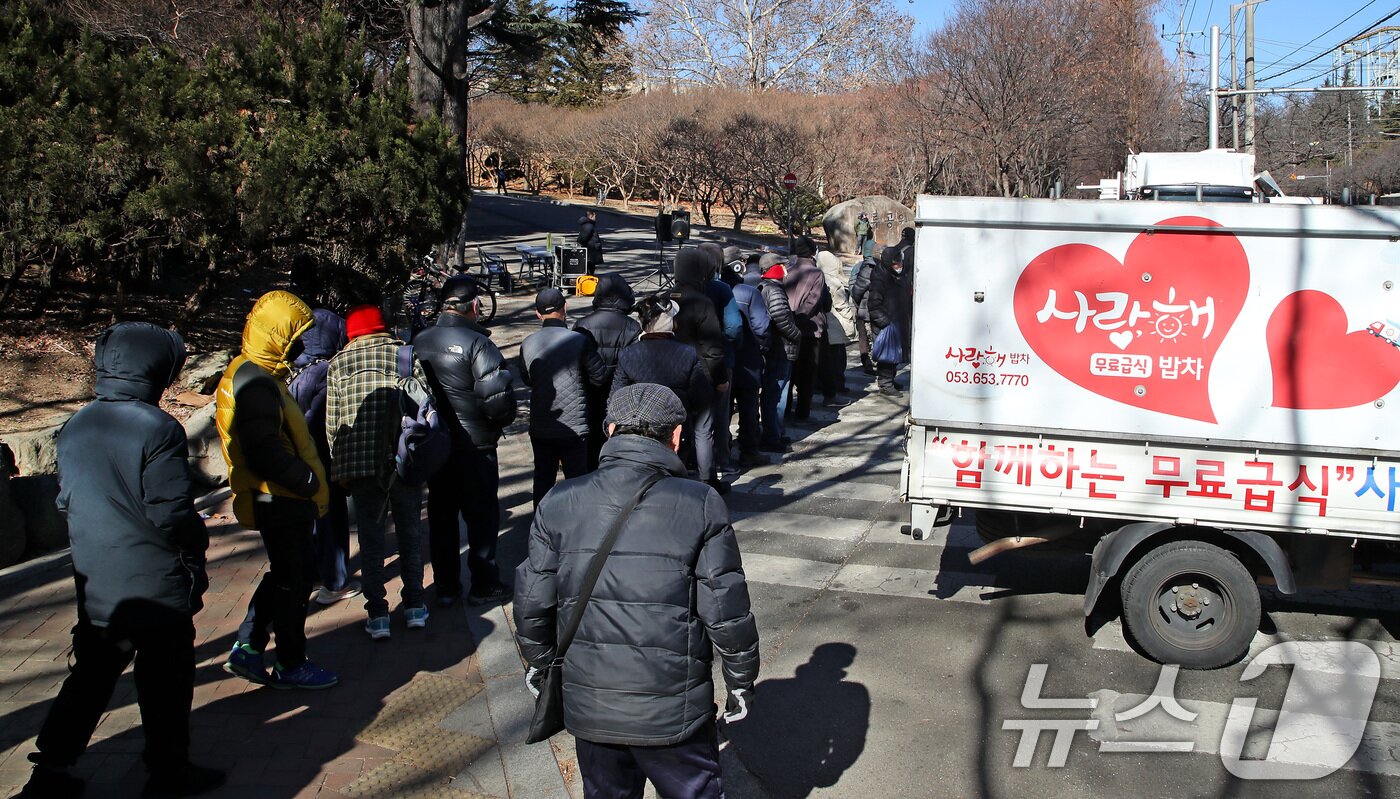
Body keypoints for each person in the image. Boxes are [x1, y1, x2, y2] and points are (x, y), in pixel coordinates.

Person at [513, 383, 760, 799]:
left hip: (591, 704)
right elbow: (725, 607)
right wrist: (740, 680)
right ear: (676, 436)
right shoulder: (700, 503)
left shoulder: (558, 500)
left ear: (610, 430)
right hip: (674, 708)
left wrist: (539, 665)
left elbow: (532, 601)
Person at [19, 323, 225, 799]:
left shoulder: (77, 425)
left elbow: (67, 500)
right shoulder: (157, 428)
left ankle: (50, 771)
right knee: (166, 678)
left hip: (96, 577)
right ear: (155, 369)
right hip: (153, 579)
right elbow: (170, 512)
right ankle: (168, 772)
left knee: (91, 676)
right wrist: (195, 547)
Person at [216, 291, 339, 690]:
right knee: (295, 581)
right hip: (281, 497)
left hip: (276, 495)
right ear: (277, 337)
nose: (302, 346)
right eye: (296, 338)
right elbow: (264, 449)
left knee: (287, 573)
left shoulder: (257, 375)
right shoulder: (256, 383)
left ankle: (249, 645)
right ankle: (290, 661)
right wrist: (307, 482)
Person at [327, 304, 431, 638]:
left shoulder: (338, 363)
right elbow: (426, 405)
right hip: (403, 458)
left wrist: (341, 465)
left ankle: (378, 615)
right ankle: (414, 606)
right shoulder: (405, 354)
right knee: (410, 535)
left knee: (371, 540)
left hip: (360, 466)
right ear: (382, 327)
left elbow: (332, 425)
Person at [413, 276, 517, 607]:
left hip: (435, 444)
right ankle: (484, 583)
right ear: (473, 305)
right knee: (482, 516)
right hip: (476, 445)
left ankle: (446, 586)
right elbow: (497, 400)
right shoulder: (478, 344)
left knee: (441, 516)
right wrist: (499, 421)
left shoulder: (419, 340)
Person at [288, 304, 360, 606]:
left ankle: (317, 572)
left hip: (301, 462)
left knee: (314, 520)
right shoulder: (327, 374)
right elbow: (323, 422)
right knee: (332, 519)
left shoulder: (295, 373)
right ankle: (336, 581)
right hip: (323, 458)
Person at [611, 295, 714, 480]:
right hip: (675, 428)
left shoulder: (628, 354)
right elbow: (702, 396)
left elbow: (617, 396)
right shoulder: (686, 353)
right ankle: (706, 478)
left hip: (638, 428)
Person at [521, 288, 608, 505]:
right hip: (575, 423)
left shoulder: (528, 343)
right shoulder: (579, 340)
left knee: (543, 478)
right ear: (565, 308)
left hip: (541, 423)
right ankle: (577, 522)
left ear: (538, 314)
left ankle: (541, 519)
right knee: (577, 481)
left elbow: (527, 379)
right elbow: (599, 377)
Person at [667, 247, 729, 492]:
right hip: (700, 372)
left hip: (668, 371)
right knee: (703, 429)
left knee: (673, 427)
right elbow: (712, 346)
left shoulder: (666, 298)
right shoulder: (702, 303)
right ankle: (707, 479)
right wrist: (720, 377)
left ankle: (675, 475)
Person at [573, 274, 641, 471]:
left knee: (590, 441)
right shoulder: (632, 327)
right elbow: (633, 365)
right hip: (619, 394)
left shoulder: (582, 324)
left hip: (588, 392)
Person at [698, 242, 743, 476]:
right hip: (720, 357)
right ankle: (721, 459)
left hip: (686, 357)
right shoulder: (721, 288)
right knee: (720, 411)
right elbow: (734, 327)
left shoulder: (681, 287)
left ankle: (691, 459)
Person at [782, 237, 830, 422]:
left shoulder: (787, 269)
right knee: (807, 373)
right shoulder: (816, 273)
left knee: (789, 371)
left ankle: (785, 410)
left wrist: (788, 320)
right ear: (812, 252)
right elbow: (813, 301)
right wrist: (799, 319)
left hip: (786, 327)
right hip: (809, 329)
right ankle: (802, 412)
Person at [758, 256, 802, 452]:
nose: (785, 269)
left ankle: (775, 432)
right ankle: (772, 436)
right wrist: (797, 334)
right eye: (781, 266)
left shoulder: (768, 287)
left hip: (777, 348)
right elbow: (781, 317)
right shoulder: (773, 289)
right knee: (776, 395)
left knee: (776, 394)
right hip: (781, 349)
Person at [732, 260, 771, 466]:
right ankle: (748, 450)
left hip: (719, 360)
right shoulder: (749, 292)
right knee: (748, 408)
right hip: (747, 358)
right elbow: (762, 327)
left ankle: (721, 452)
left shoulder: (711, 290)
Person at [870, 238, 915, 397]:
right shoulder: (880, 278)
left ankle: (890, 380)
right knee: (887, 356)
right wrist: (885, 322)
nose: (899, 266)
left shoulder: (899, 277)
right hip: (886, 324)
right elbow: (873, 305)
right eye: (896, 263)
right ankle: (885, 384)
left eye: (900, 262)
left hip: (898, 321)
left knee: (895, 355)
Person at [817, 251, 857, 406]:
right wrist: (850, 319)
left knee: (823, 359)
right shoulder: (834, 282)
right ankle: (836, 386)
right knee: (836, 360)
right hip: (835, 326)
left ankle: (821, 385)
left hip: (821, 326)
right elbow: (841, 305)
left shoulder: (817, 277)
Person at [849, 256, 878, 376]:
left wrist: (858, 305)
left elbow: (854, 289)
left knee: (864, 337)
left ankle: (868, 363)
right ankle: (872, 363)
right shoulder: (870, 269)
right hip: (871, 309)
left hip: (864, 308)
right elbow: (856, 290)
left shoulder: (860, 267)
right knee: (871, 337)